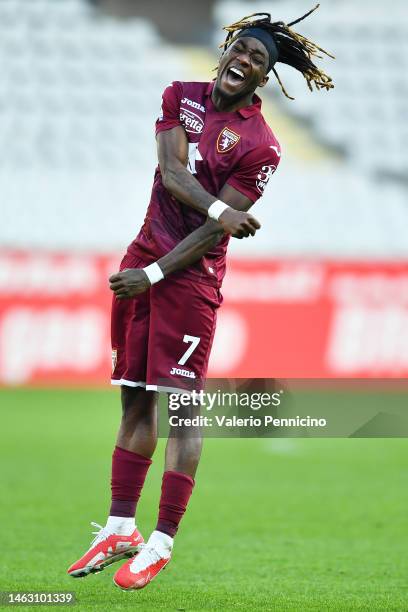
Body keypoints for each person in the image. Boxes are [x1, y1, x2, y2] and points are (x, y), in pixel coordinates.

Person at [67, 6, 333, 591]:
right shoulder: (179, 94)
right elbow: (171, 175)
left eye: (257, 59)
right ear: (226, 50)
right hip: (142, 264)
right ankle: (119, 526)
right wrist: (221, 211)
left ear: (265, 78)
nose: (244, 59)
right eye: (240, 48)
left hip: (186, 281)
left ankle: (161, 541)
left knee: (183, 411)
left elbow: (212, 235)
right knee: (134, 401)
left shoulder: (262, 146)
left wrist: (162, 269)